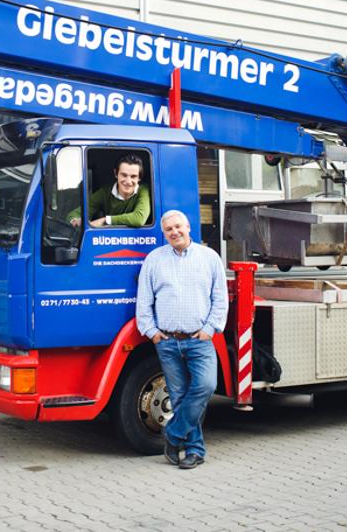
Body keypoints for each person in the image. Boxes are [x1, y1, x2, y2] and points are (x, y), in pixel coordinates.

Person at [135, 209, 228, 470]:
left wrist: (210, 329)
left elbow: (220, 298)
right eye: (169, 229)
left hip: (199, 339)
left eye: (178, 227)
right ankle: (195, 450)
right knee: (178, 397)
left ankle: (173, 434)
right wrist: (152, 332)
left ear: (188, 227)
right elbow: (144, 300)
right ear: (164, 234)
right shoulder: (154, 260)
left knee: (206, 386)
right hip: (167, 342)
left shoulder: (209, 258)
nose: (174, 232)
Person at [69, 154, 150, 228]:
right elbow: (76, 213)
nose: (128, 181)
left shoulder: (143, 190)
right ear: (116, 174)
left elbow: (139, 218)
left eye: (133, 176)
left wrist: (105, 220)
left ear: (139, 178)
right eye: (124, 175)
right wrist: (76, 220)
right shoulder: (105, 192)